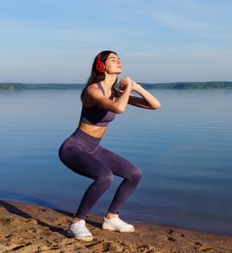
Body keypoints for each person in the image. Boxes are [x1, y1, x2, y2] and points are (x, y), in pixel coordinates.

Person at [58, 50, 161, 241]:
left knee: (134, 174)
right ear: (101, 66)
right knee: (105, 176)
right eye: (113, 59)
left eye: (119, 58)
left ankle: (111, 218)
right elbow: (119, 109)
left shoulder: (117, 93)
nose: (118, 61)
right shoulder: (93, 90)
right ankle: (76, 223)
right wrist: (128, 88)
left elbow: (155, 105)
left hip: (95, 148)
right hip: (74, 148)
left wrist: (135, 87)